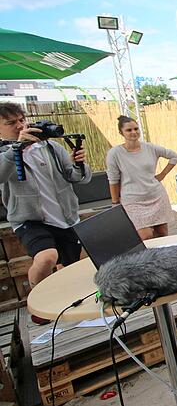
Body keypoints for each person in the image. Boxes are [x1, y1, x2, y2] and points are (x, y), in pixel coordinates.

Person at [0, 102, 91, 324]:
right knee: (46, 257)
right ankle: (38, 305)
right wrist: (16, 149)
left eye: (21, 120)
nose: (19, 125)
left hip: (65, 217)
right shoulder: (5, 154)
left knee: (70, 265)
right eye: (11, 123)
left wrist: (79, 164)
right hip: (29, 219)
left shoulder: (49, 147)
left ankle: (68, 303)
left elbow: (78, 178)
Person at [107, 115, 177, 240]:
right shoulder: (115, 153)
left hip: (156, 196)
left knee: (162, 234)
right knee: (145, 236)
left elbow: (174, 156)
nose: (134, 132)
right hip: (133, 200)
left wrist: (162, 175)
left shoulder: (150, 148)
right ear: (121, 133)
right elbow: (113, 180)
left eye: (136, 129)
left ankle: (162, 259)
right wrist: (115, 203)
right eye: (129, 130)